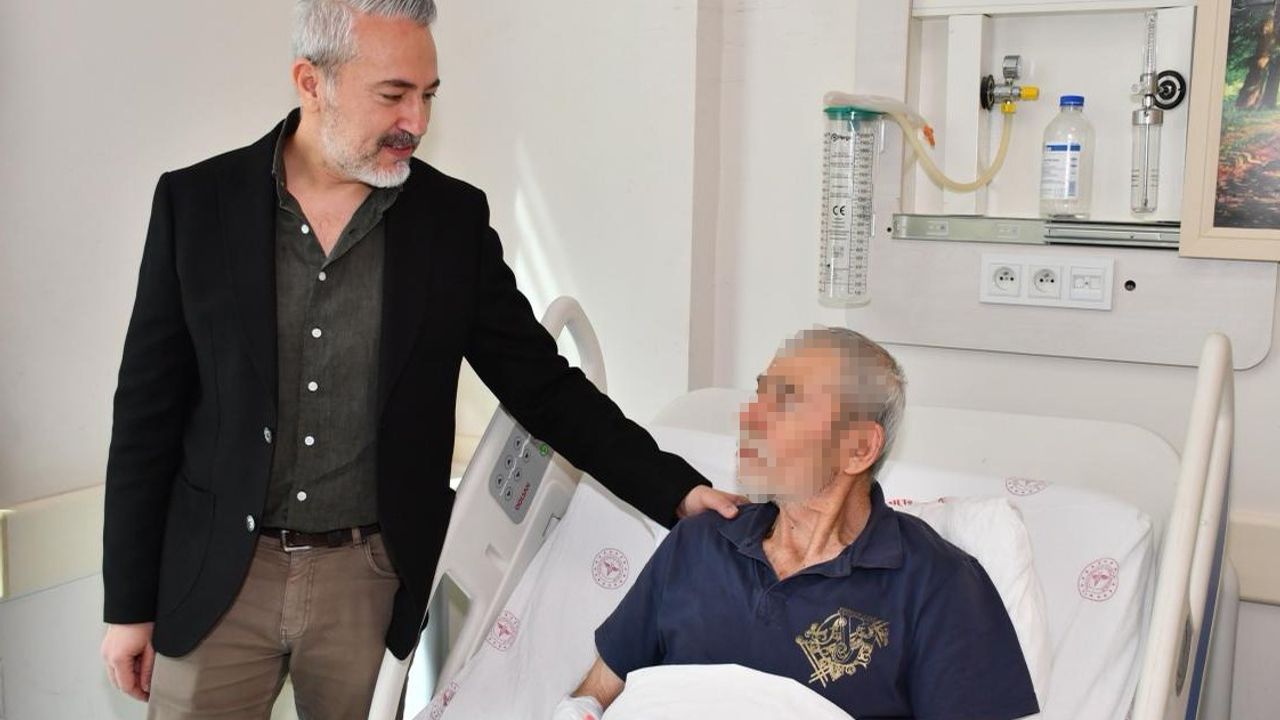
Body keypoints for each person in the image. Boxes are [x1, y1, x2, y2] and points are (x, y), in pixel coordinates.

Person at [99, 1, 741, 717]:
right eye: (393, 95)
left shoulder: (450, 222)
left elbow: (544, 387)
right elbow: (147, 414)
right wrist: (128, 604)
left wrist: (677, 491)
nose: (417, 121)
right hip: (218, 577)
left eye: (428, 95)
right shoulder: (197, 204)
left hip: (368, 581)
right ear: (312, 82)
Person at [558, 328, 1040, 720]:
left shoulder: (937, 583)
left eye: (786, 401)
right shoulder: (699, 542)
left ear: (859, 448)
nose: (751, 416)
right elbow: (594, 695)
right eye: (760, 393)